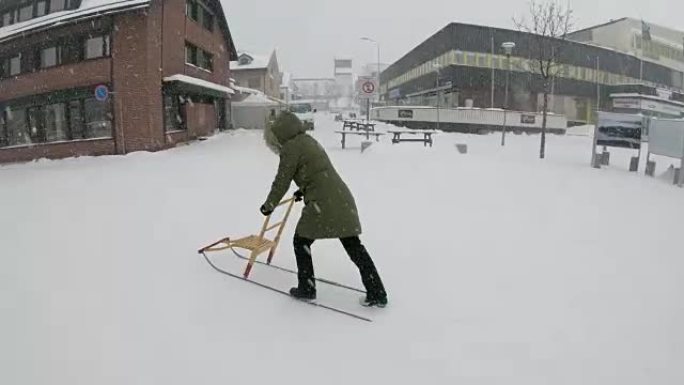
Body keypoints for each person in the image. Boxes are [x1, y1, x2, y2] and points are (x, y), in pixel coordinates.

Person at [260, 111, 388, 307]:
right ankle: (377, 292)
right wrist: (302, 190)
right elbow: (315, 171)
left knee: (300, 241)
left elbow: (282, 180)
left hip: (324, 203)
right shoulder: (307, 140)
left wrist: (269, 205)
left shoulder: (291, 148)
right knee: (353, 245)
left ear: (279, 134)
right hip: (339, 197)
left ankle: (307, 288)